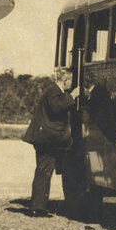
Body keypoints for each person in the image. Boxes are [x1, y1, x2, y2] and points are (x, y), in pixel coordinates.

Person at [22, 67, 84, 216]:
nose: (71, 85)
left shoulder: (53, 91)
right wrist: (73, 96)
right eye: (70, 81)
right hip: (46, 139)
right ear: (65, 80)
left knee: (44, 171)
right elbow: (57, 108)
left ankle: (39, 206)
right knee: (44, 171)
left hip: (45, 138)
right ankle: (37, 208)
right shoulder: (54, 91)